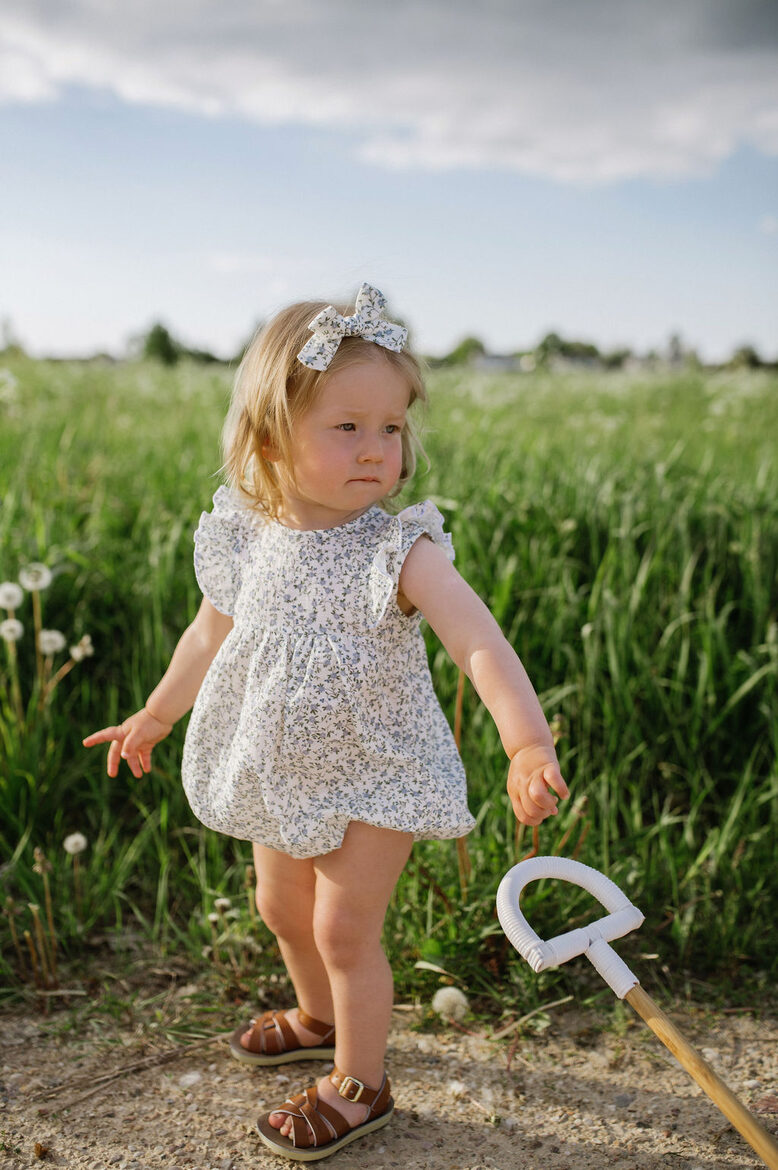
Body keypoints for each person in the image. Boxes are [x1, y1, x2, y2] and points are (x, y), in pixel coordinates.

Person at [84, 282, 569, 1161]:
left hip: (375, 767)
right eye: (348, 427)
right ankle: (314, 1015)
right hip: (281, 763)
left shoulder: (401, 550)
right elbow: (208, 633)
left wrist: (525, 741)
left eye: (391, 428)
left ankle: (360, 1083)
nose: (377, 449)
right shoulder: (249, 536)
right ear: (270, 436)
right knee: (280, 904)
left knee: (346, 930)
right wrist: (154, 714)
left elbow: (481, 644)